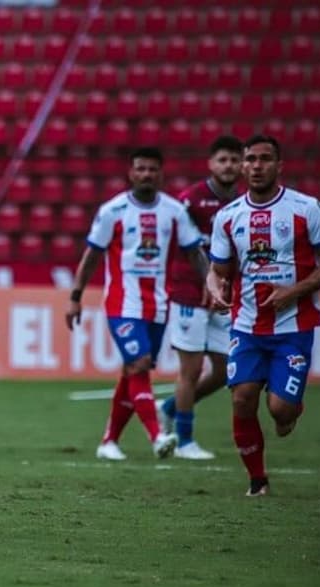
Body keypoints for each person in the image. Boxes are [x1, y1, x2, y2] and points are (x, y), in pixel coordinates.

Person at [65, 147, 207, 461]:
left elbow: (195, 253)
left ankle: (108, 441)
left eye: (151, 169)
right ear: (131, 173)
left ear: (161, 174)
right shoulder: (113, 211)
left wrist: (212, 284)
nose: (145, 174)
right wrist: (75, 297)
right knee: (140, 364)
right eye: (140, 169)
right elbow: (91, 257)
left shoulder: (174, 212)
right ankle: (157, 436)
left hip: (157, 305)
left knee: (132, 373)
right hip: (121, 304)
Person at [207, 134, 320, 497]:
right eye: (251, 160)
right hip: (246, 324)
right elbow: (219, 269)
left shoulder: (307, 209)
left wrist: (294, 291)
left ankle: (290, 408)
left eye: (264, 159)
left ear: (279, 166)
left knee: (280, 411)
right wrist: (214, 286)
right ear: (242, 166)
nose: (257, 166)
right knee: (242, 398)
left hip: (294, 326)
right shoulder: (227, 217)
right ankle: (258, 482)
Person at [157, 136, 244, 460]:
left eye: (235, 160)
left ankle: (166, 408)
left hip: (221, 296)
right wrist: (204, 285)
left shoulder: (243, 203)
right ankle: (184, 441)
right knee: (190, 371)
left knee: (223, 371)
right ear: (211, 164)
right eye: (223, 160)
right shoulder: (190, 201)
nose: (229, 166)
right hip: (189, 294)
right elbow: (182, 246)